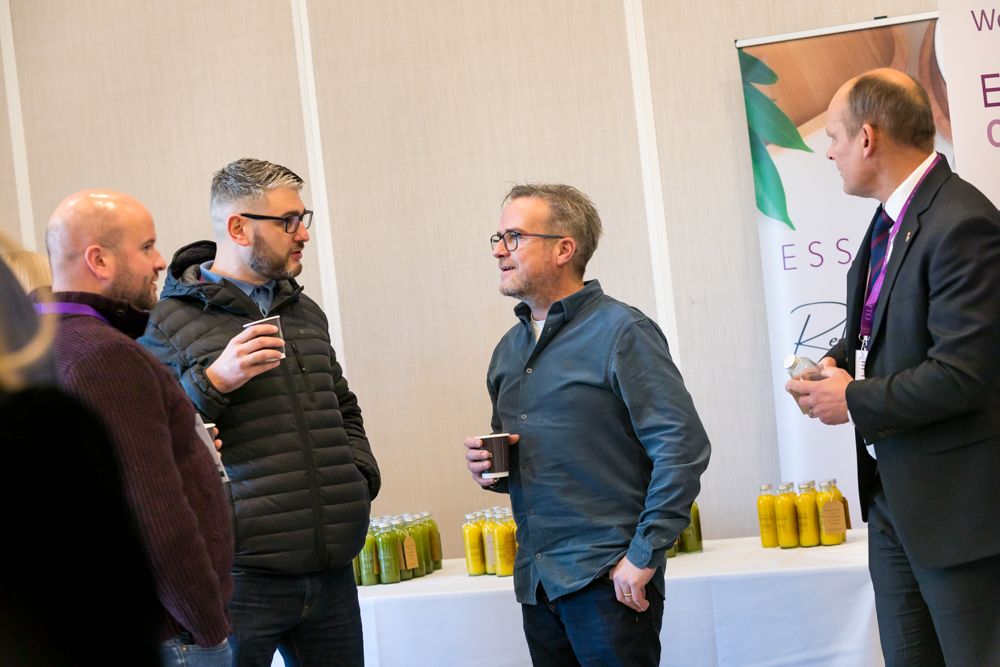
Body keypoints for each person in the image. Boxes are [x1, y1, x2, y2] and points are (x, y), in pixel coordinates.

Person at [787, 69, 1000, 665]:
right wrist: (833, 363)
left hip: (958, 516)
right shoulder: (890, 221)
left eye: (834, 136)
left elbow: (963, 375)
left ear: (867, 137)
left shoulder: (962, 222)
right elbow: (879, 331)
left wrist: (852, 400)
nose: (829, 151)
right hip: (893, 502)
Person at [139, 158, 380, 667]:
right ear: (238, 228)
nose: (303, 234)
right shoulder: (163, 324)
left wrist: (359, 477)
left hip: (332, 571)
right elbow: (152, 441)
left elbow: (342, 404)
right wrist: (215, 381)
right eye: (288, 221)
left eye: (302, 218)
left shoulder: (304, 311)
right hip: (242, 579)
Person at [464, 183, 710, 666]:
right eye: (498, 237)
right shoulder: (507, 352)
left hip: (607, 579)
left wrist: (643, 556)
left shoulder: (622, 332)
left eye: (514, 237)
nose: (498, 250)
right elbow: (526, 464)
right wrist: (489, 471)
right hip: (537, 582)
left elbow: (682, 448)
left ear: (563, 249)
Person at [39, 190, 234, 666]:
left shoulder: (39, 344)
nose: (160, 261)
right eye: (146, 246)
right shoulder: (105, 357)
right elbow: (152, 513)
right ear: (99, 260)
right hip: (172, 634)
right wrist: (207, 627)